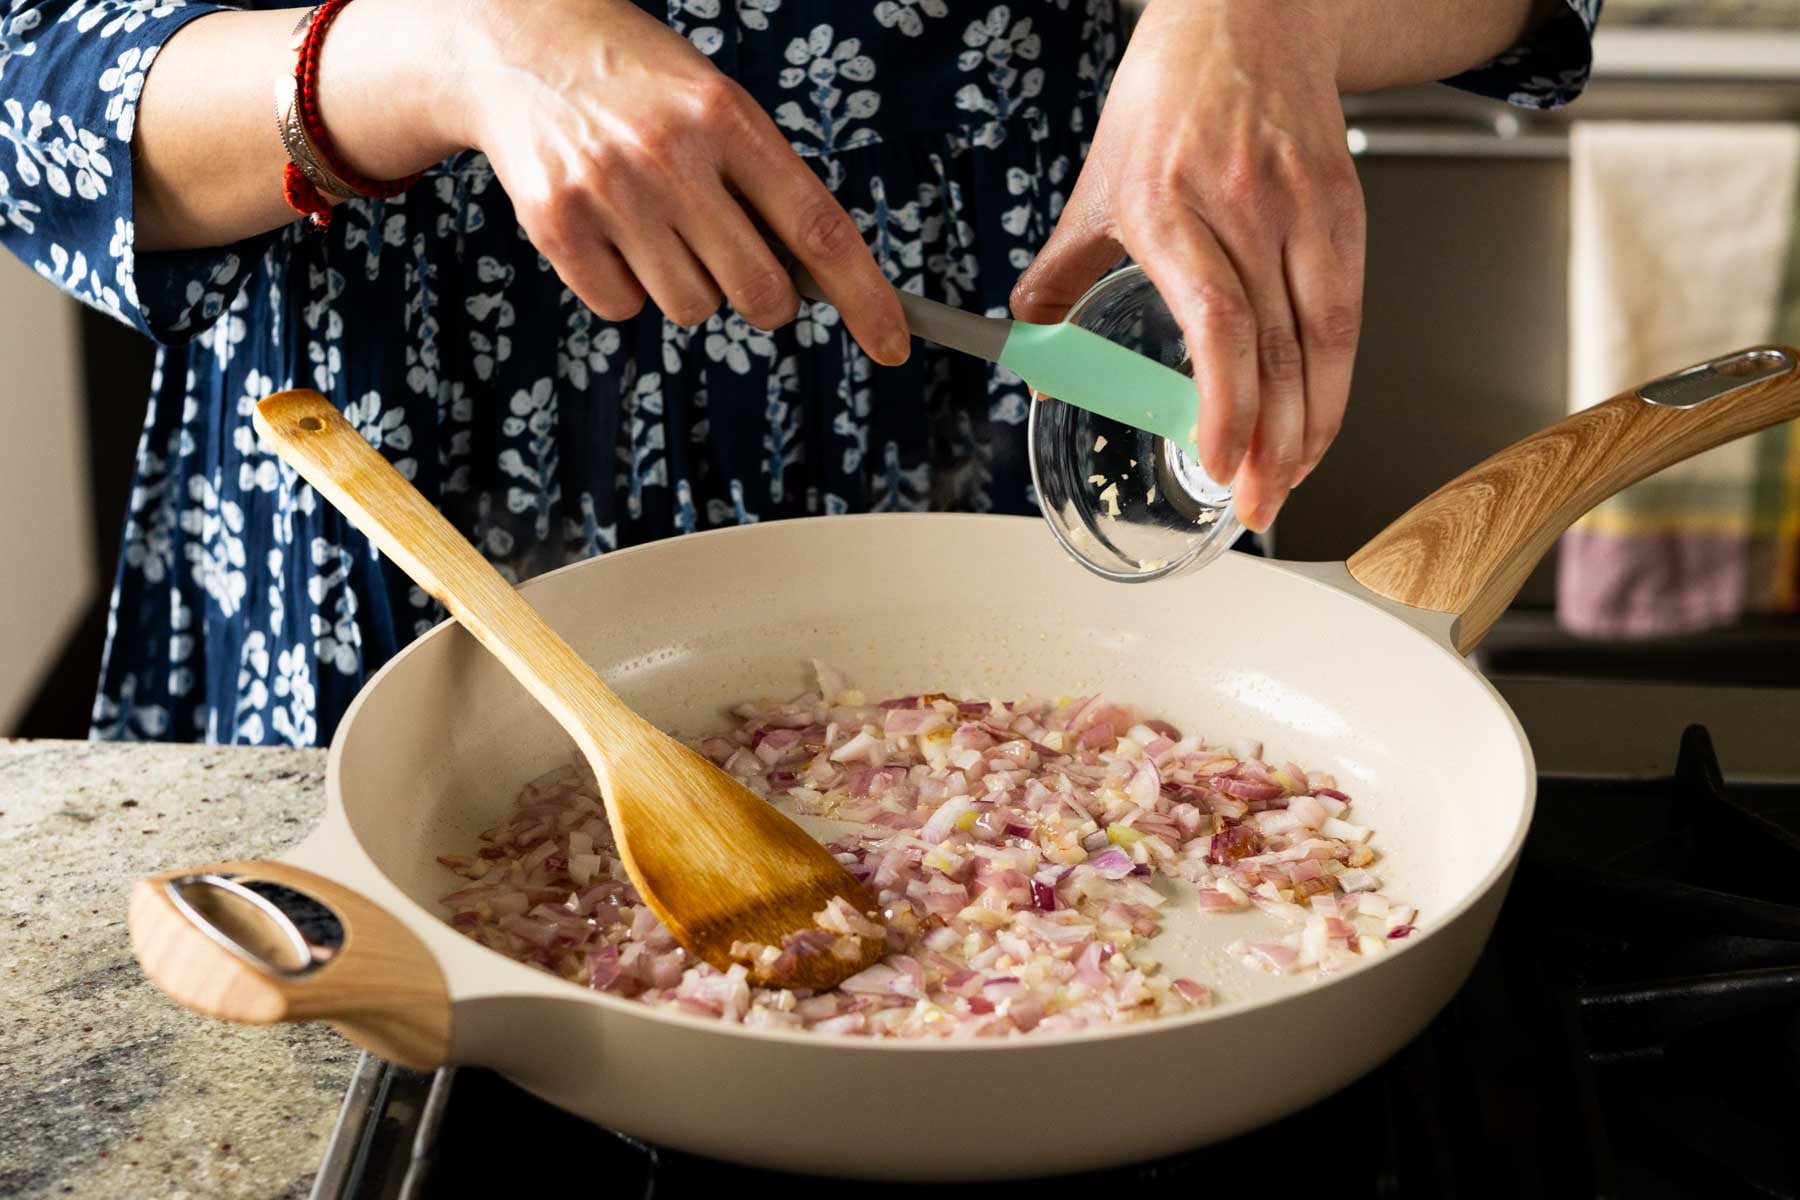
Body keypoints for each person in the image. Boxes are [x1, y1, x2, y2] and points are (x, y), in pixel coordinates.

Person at [0, 0, 1598, 746]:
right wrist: (440, 56)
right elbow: (28, 66)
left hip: (1029, 486)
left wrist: (1268, 18)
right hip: (410, 538)